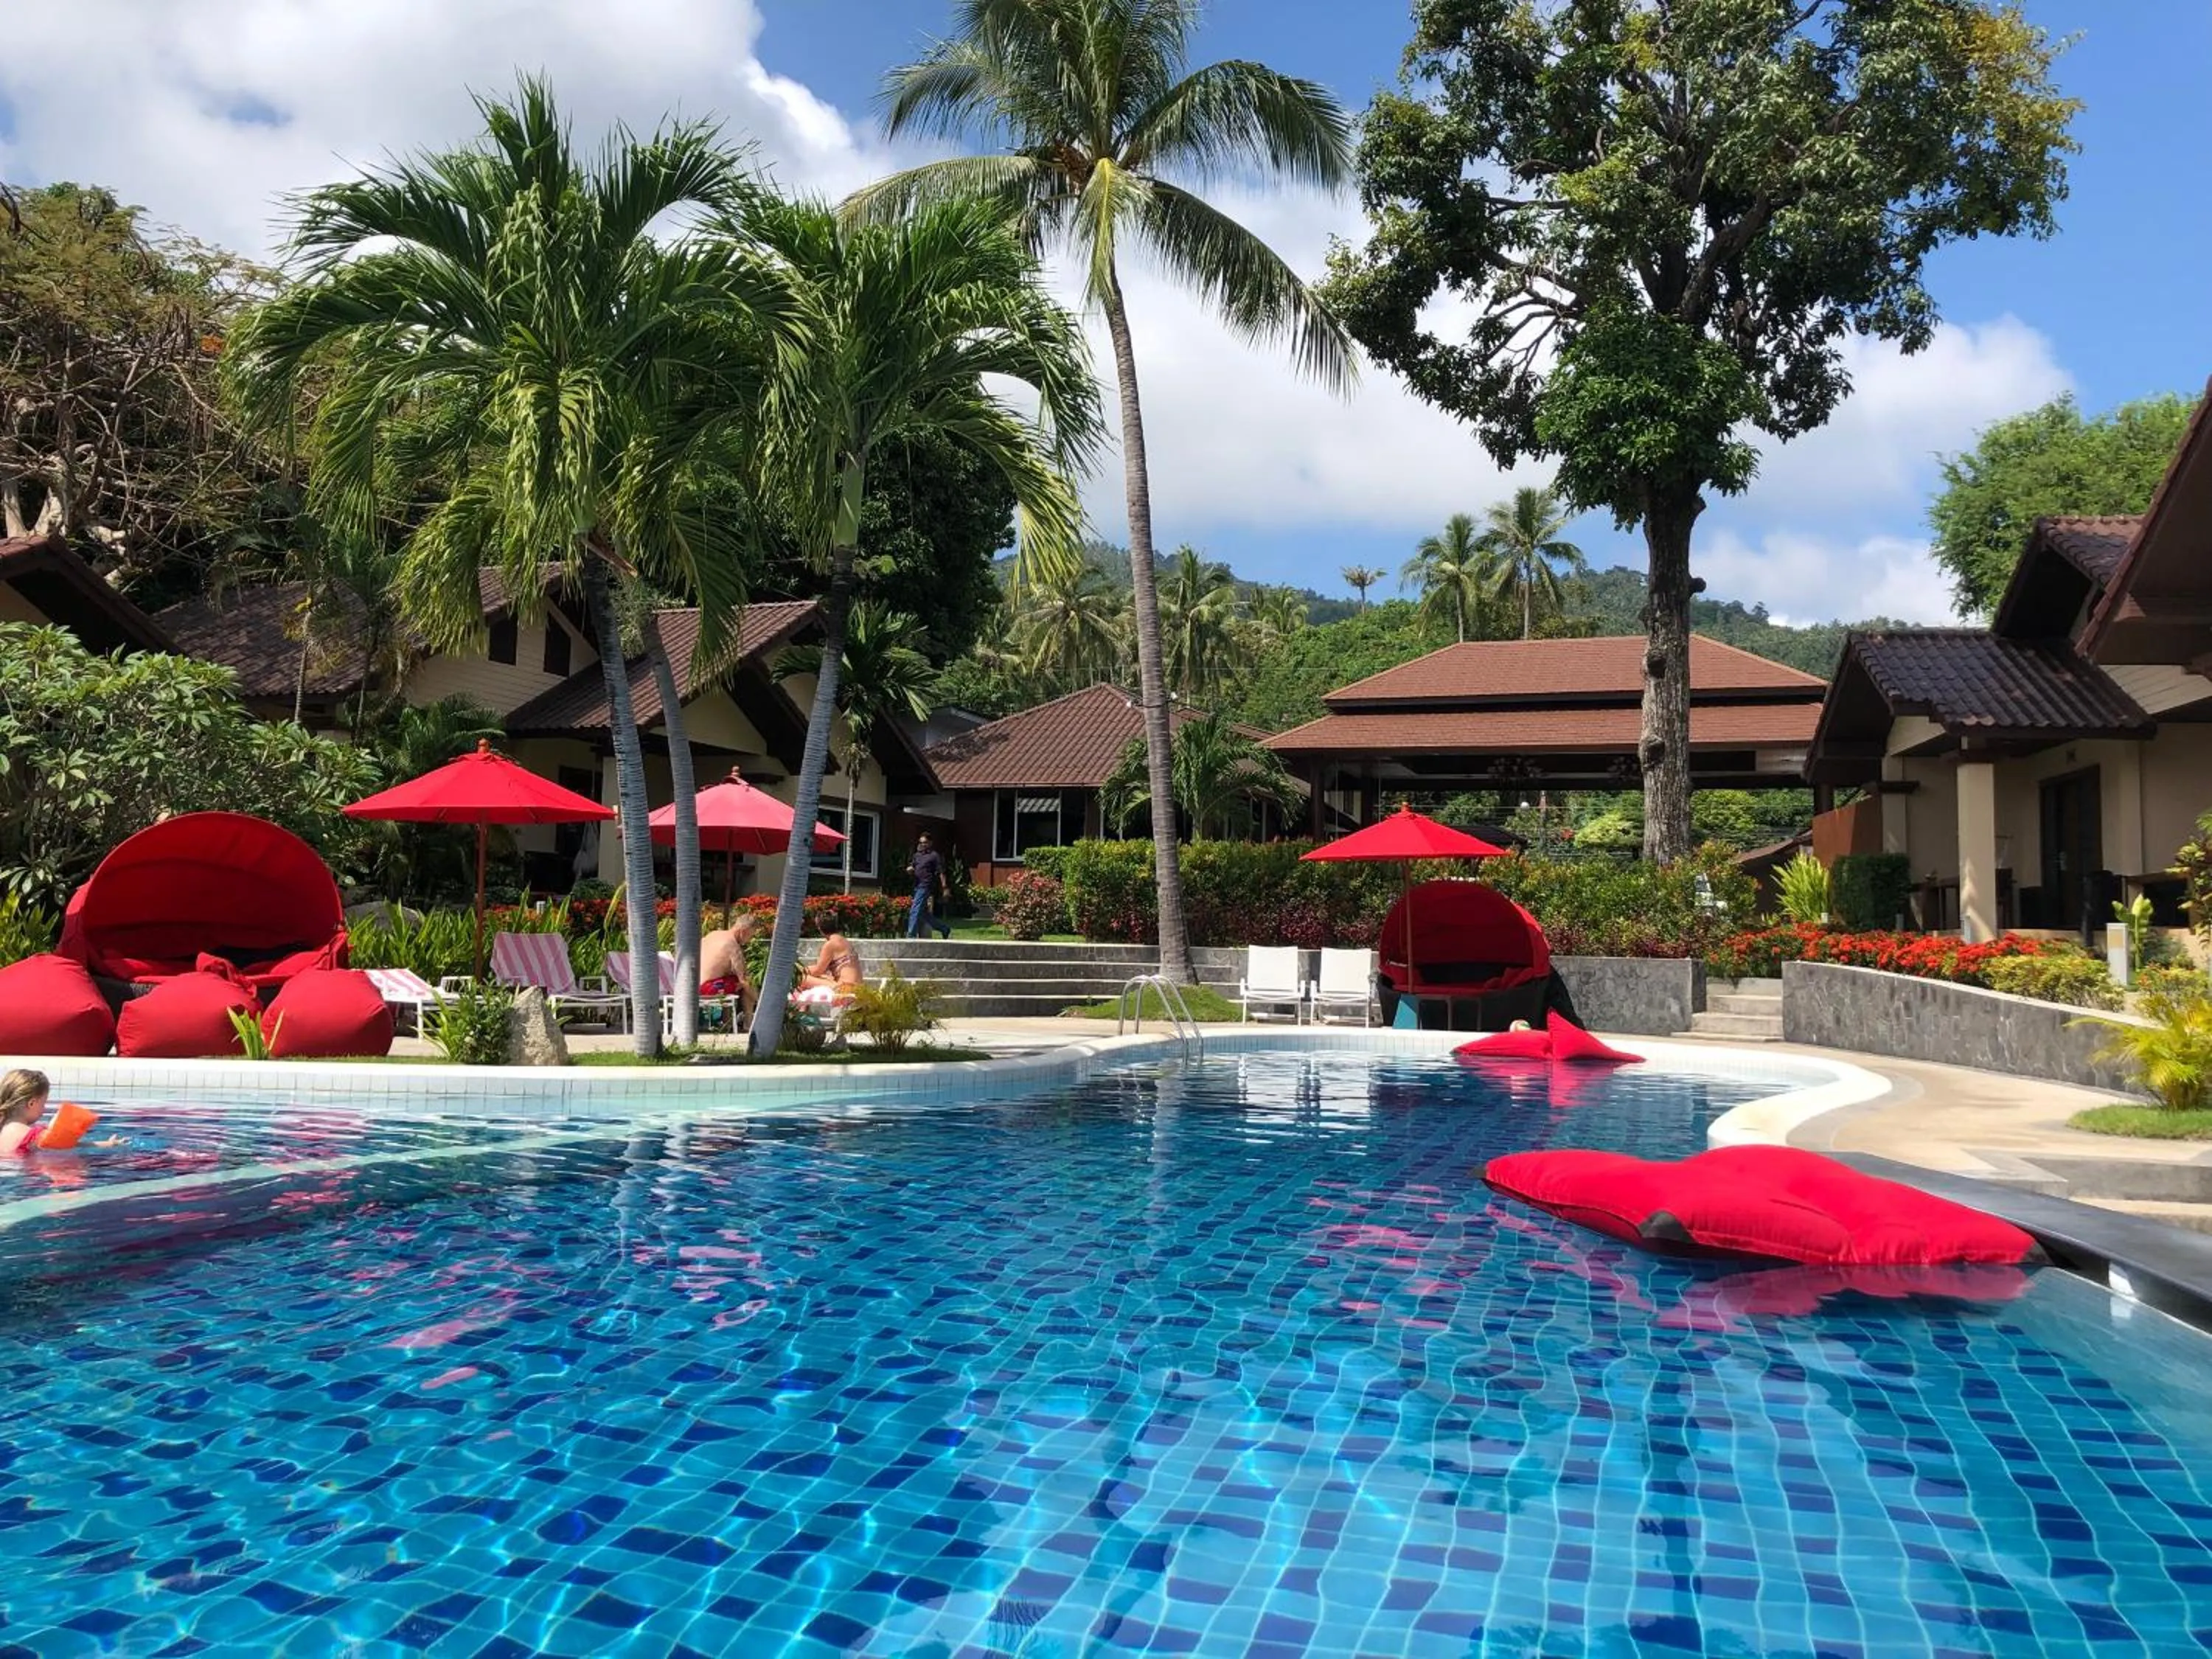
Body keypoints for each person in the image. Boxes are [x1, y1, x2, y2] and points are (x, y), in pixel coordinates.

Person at [0, 1069, 117, 1155]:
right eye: (44, 1103)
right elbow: (66, 1146)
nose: (44, 1108)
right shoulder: (32, 1135)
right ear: (32, 1103)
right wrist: (107, 1144)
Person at [700, 912, 760, 1020]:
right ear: (743, 931)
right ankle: (748, 1023)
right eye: (750, 936)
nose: (749, 940)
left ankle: (727, 1022)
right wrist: (759, 1001)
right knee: (747, 983)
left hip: (690, 987)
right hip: (707, 989)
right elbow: (744, 980)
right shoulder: (733, 946)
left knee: (731, 981)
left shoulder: (713, 934)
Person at [905, 833, 952, 940]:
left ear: (930, 843)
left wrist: (945, 887)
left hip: (926, 886)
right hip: (916, 886)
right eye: (921, 843)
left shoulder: (934, 856)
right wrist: (910, 870)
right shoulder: (916, 856)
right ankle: (945, 929)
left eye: (925, 843)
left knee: (915, 909)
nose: (923, 845)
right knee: (923, 914)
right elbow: (912, 867)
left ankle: (911, 935)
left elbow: (941, 872)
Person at [799, 932, 864, 993]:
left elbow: (817, 971)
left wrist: (798, 970)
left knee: (801, 979)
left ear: (820, 929)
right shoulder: (844, 941)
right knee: (824, 977)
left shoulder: (831, 944)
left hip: (845, 988)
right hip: (857, 987)